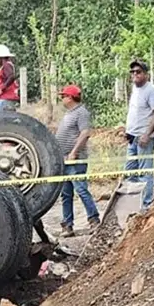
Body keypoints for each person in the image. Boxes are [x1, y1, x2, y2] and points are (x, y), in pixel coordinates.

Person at [55, 84, 99, 237]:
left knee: (81, 189)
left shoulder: (81, 113)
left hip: (75, 159)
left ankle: (94, 220)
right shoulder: (69, 113)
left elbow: (85, 133)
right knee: (66, 193)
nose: (62, 99)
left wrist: (74, 152)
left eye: (64, 96)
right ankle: (68, 225)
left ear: (71, 97)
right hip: (65, 160)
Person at [122, 60, 154, 213]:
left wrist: (147, 133)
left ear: (146, 74)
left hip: (145, 138)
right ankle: (132, 205)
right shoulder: (135, 89)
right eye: (132, 72)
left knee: (145, 172)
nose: (135, 74)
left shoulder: (151, 90)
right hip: (133, 137)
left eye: (138, 72)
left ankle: (146, 206)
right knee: (130, 173)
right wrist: (127, 131)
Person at [0, 44, 19, 112]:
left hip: (4, 99)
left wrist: (3, 88)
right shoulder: (4, 66)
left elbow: (11, 76)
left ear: (1, 57)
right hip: (2, 98)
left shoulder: (6, 65)